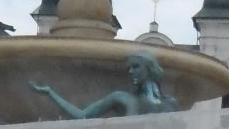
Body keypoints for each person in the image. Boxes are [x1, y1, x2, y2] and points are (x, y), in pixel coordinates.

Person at [32, 51, 180, 121]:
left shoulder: (170, 104)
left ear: (150, 68)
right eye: (129, 68)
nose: (130, 72)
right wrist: (51, 93)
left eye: (136, 67)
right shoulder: (122, 98)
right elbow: (82, 116)